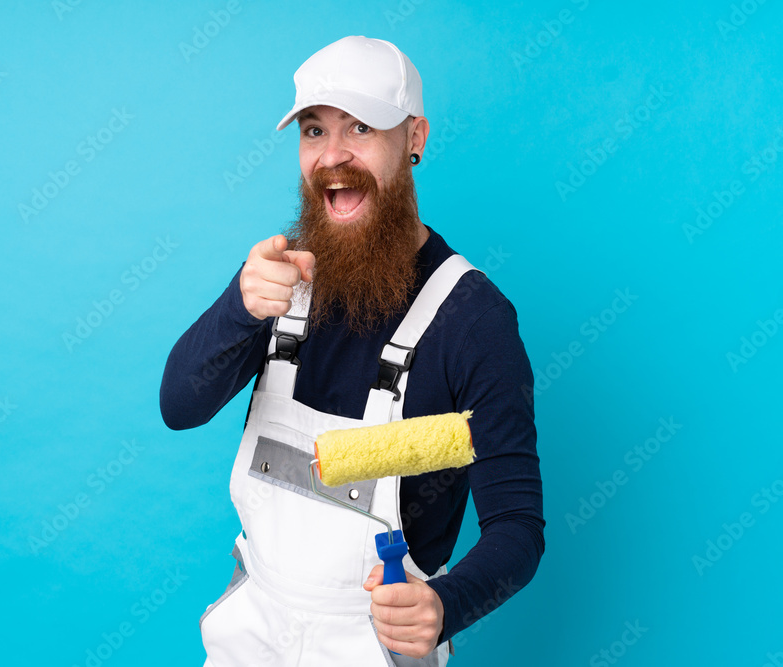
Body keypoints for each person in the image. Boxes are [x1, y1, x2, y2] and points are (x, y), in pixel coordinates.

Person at [160, 35, 544, 666]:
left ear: (415, 137)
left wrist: (445, 605)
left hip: (374, 646)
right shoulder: (280, 279)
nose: (333, 155)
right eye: (314, 130)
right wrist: (239, 307)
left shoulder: (473, 320)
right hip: (249, 635)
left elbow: (518, 528)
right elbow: (178, 407)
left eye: (361, 127)